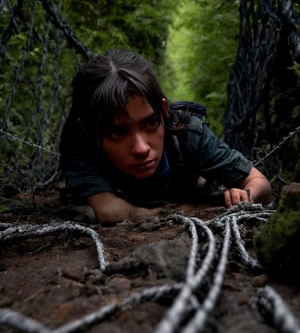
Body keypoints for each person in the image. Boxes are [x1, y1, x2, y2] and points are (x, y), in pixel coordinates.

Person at [59, 49, 272, 225]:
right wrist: (161, 214)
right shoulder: (79, 146)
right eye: (118, 132)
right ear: (88, 130)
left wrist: (245, 198)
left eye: (151, 123)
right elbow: (108, 210)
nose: (141, 148)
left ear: (163, 111)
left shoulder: (188, 133)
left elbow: (259, 181)